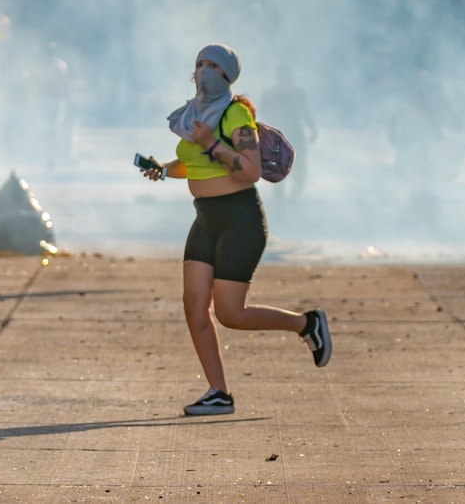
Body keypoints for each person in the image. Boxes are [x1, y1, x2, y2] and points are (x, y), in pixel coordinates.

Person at [137, 43, 332, 416]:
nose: (204, 70)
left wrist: (211, 143)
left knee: (229, 313)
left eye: (213, 64)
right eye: (199, 63)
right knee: (194, 306)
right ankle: (218, 393)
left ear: (227, 73)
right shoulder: (193, 114)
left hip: (240, 219)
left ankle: (306, 323)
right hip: (205, 218)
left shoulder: (235, 113)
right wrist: (162, 169)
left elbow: (250, 170)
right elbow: (191, 163)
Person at [258, 64, 318, 197]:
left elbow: (306, 112)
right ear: (278, 78)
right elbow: (264, 115)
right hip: (278, 134)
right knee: (279, 167)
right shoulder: (269, 95)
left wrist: (313, 130)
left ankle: (294, 198)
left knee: (299, 166)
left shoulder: (299, 94)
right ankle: (281, 201)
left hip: (295, 133)